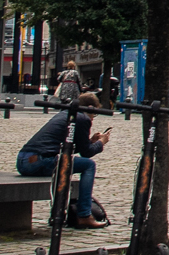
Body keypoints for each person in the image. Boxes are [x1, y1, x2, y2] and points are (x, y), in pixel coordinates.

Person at [17, 93, 111, 229]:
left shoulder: (66, 113)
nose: (93, 118)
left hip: (24, 160)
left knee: (70, 163)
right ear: (90, 108)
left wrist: (91, 141)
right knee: (89, 165)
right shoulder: (82, 118)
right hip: (40, 160)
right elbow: (87, 153)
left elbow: (67, 149)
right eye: (94, 114)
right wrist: (101, 142)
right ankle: (84, 215)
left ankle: (63, 212)